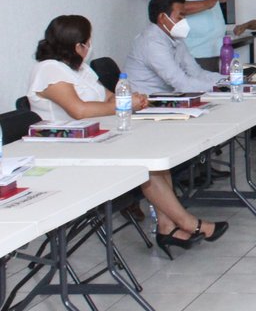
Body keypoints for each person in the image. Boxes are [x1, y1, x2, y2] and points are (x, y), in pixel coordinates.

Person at [29, 15, 228, 255]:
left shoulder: (79, 69)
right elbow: (79, 110)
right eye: (87, 42)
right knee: (141, 166)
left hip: (98, 139)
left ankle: (167, 227)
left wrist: (129, 100)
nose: (90, 46)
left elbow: (110, 97)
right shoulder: (48, 70)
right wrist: (124, 103)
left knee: (154, 156)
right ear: (77, 45)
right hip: (68, 153)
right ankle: (188, 223)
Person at [125, 0, 226, 94]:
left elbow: (197, 73)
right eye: (180, 17)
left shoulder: (175, 38)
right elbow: (182, 83)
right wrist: (220, 87)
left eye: (184, 17)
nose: (184, 21)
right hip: (146, 102)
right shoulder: (152, 43)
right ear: (163, 18)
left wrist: (228, 81)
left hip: (166, 99)